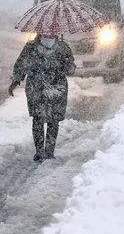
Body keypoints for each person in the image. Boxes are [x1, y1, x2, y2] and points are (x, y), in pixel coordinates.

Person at [9, 34, 76, 162]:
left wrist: (15, 81)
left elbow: (21, 65)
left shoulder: (31, 47)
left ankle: (39, 151)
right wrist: (65, 63)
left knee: (37, 119)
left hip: (36, 87)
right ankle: (49, 152)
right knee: (53, 120)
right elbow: (71, 69)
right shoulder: (63, 47)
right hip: (57, 87)